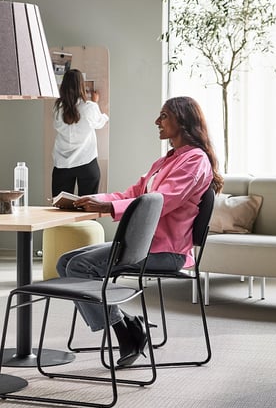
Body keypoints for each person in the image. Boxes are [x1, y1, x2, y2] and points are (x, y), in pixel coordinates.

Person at [57, 96, 223, 366]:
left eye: (164, 116)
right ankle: (129, 324)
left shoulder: (195, 161)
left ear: (182, 120)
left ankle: (125, 331)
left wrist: (109, 208)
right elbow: (132, 194)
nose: (157, 122)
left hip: (166, 251)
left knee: (80, 267)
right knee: (66, 262)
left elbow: (160, 202)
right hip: (144, 246)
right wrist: (93, 200)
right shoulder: (165, 161)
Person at [51, 69, 109, 197]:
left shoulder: (58, 109)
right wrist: (96, 103)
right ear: (81, 86)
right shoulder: (89, 107)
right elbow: (100, 122)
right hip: (87, 163)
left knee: (61, 209)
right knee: (88, 210)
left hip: (62, 165)